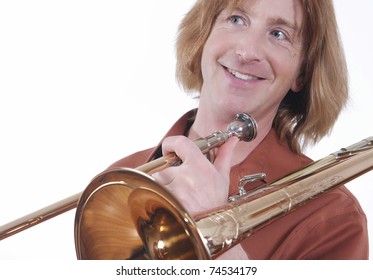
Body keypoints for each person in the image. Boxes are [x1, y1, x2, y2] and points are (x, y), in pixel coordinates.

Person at [109, 0, 368, 259]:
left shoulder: (334, 220)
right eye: (236, 19)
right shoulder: (117, 181)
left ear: (302, 72)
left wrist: (216, 232)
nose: (247, 51)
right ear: (204, 35)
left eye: (279, 34)